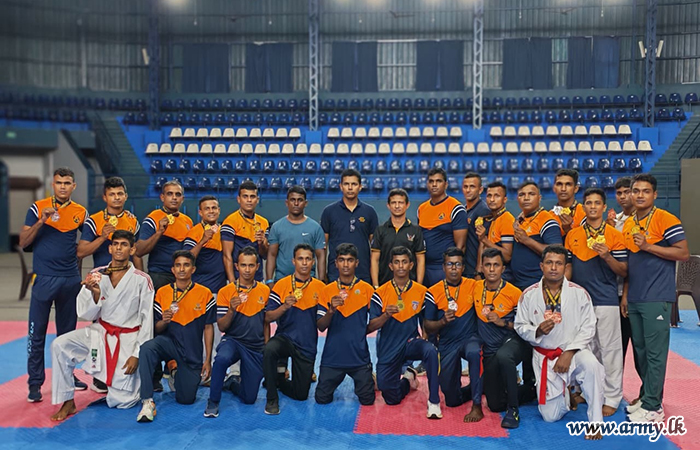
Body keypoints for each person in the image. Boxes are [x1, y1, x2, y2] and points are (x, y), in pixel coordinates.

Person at [50, 231, 154, 420]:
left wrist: (137, 354)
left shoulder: (142, 279)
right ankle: (67, 401)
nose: (119, 248)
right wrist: (95, 294)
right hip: (100, 332)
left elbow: (147, 321)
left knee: (122, 402)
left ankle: (122, 384)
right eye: (115, 244)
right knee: (60, 345)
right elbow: (84, 313)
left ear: (132, 250)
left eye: (124, 244)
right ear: (110, 248)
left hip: (127, 339)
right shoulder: (96, 275)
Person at [514, 245, 605, 440]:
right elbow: (519, 326)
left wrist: (569, 352)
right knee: (550, 416)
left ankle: (596, 423)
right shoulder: (529, 295)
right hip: (545, 356)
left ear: (566, 267)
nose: (553, 267)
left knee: (592, 365)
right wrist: (536, 331)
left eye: (558, 263)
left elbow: (589, 327)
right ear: (541, 266)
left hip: (574, 352)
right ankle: (567, 395)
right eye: (549, 263)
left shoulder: (579, 293)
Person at [622, 174, 689, 423]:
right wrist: (626, 295)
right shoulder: (629, 223)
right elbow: (631, 263)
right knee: (640, 352)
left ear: (655, 194)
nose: (640, 195)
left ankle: (654, 406)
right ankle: (647, 396)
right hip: (636, 295)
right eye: (636, 191)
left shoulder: (665, 218)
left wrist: (649, 246)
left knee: (655, 353)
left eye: (646, 191)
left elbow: (683, 253)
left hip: (657, 296)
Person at [20, 167, 88, 402]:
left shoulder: (81, 212)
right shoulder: (38, 208)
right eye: (59, 182)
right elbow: (23, 242)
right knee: (36, 333)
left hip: (70, 280)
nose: (63, 186)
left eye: (67, 183)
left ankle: (68, 377)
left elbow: (84, 245)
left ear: (73, 186)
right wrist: (42, 221)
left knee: (67, 336)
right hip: (44, 279)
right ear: (53, 184)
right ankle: (35, 384)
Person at [565, 188, 627, 417]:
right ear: (583, 207)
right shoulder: (573, 235)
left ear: (604, 207)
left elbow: (624, 270)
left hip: (606, 299)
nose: (592, 207)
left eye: (597, 203)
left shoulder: (614, 235)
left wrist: (607, 256)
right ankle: (587, 391)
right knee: (585, 351)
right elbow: (568, 267)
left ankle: (612, 396)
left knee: (610, 351)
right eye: (588, 203)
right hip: (580, 302)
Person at [136, 250, 215, 423]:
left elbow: (208, 328)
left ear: (193, 269)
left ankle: (174, 371)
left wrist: (208, 360)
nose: (182, 269)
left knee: (186, 399)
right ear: (172, 269)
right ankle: (147, 401)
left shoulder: (205, 293)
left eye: (186, 265)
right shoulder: (162, 292)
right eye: (178, 265)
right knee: (147, 348)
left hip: (191, 352)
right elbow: (156, 328)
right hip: (168, 343)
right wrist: (164, 321)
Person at [367, 246, 442, 419]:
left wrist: (425, 335)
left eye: (404, 262)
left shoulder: (421, 292)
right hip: (389, 347)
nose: (401, 266)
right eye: (397, 262)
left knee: (431, 350)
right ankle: (408, 379)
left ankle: (434, 402)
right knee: (390, 398)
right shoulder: (380, 293)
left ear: (411, 265)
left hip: (410, 343)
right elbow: (370, 327)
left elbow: (427, 321)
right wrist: (386, 315)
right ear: (391, 266)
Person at [204, 246, 269, 418]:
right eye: (243, 265)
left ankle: (232, 383)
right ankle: (213, 401)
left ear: (257, 267)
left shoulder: (265, 291)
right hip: (233, 340)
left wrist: (266, 347)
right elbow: (222, 327)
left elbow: (266, 323)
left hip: (255, 346)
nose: (247, 270)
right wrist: (231, 310)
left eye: (251, 265)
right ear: (236, 266)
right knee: (222, 359)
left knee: (249, 399)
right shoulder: (226, 291)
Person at [473, 248, 533, 429]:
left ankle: (513, 410)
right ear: (482, 267)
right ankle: (531, 390)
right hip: (490, 351)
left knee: (504, 356)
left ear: (503, 268)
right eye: (488, 265)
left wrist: (503, 323)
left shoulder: (515, 293)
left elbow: (525, 327)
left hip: (513, 342)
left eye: (496, 265)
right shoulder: (475, 288)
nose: (492, 269)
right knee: (494, 404)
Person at [263, 244, 326, 415]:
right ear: (293, 261)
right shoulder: (281, 285)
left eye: (308, 259)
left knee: (301, 395)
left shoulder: (321, 288)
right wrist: (284, 307)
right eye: (300, 259)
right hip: (285, 338)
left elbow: (322, 324)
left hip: (306, 345)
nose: (304, 263)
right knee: (270, 349)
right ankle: (271, 399)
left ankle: (279, 380)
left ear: (313, 262)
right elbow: (268, 317)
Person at [423, 248, 482, 422]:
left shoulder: (474, 286)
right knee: (452, 400)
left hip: (469, 338)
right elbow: (428, 326)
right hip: (447, 343)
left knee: (474, 352)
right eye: (450, 264)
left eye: (457, 264)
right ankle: (478, 387)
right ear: (443, 267)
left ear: (463, 267)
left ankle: (477, 405)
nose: (454, 268)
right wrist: (442, 322)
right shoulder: (433, 292)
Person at [315, 244, 375, 406]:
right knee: (321, 399)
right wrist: (331, 311)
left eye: (350, 260)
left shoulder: (367, 290)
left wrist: (362, 331)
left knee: (368, 400)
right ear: (336, 263)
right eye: (342, 260)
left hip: (359, 358)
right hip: (332, 358)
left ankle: (370, 376)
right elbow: (321, 326)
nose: (346, 264)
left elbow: (375, 321)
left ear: (357, 263)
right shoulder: (326, 290)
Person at [606, 177, 642, 381]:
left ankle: (648, 393)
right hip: (613, 291)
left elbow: (632, 263)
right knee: (615, 346)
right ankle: (614, 389)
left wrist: (626, 294)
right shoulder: (615, 221)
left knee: (639, 347)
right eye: (619, 193)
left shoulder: (640, 221)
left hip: (634, 292)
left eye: (627, 192)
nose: (622, 197)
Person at [321, 169, 379, 284]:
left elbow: (375, 248)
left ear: (360, 187)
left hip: (363, 273)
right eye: (346, 184)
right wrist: (323, 275)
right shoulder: (329, 212)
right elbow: (323, 247)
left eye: (354, 184)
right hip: (335, 273)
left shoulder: (369, 212)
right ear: (341, 186)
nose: (350, 188)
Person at [135, 180, 193, 291]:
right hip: (159, 276)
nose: (174, 198)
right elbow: (139, 251)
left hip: (182, 276)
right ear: (162, 197)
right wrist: (159, 232)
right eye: (170, 194)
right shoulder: (153, 219)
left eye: (178, 194)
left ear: (182, 199)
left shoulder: (188, 221)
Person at [78, 176, 142, 270]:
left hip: (127, 275)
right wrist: (102, 237)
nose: (116, 197)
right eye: (112, 194)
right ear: (105, 197)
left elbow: (137, 254)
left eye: (120, 194)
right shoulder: (94, 221)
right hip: (102, 275)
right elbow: (80, 252)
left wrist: (141, 276)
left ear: (125, 196)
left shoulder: (133, 221)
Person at [417, 168, 468, 287]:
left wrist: (452, 270)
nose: (434, 185)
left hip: (444, 269)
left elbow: (461, 246)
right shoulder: (421, 209)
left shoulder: (455, 208)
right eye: (431, 181)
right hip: (425, 268)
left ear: (446, 184)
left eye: (438, 181)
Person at [266, 186, 326, 285]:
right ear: (287, 203)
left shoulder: (315, 228)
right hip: (281, 282)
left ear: (306, 203)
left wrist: (321, 281)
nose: (296, 203)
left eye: (300, 200)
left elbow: (321, 256)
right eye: (293, 200)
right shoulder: (277, 227)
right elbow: (272, 255)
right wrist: (269, 280)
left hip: (308, 282)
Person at [510, 182, 562, 290]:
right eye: (522, 195)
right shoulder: (520, 220)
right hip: (518, 284)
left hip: (537, 284)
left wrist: (527, 240)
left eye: (531, 194)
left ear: (539, 198)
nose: (526, 198)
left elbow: (557, 253)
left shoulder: (546, 220)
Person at [370, 188, 425, 288]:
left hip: (409, 286)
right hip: (385, 285)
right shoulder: (380, 230)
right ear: (388, 205)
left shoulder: (415, 230)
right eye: (393, 203)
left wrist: (418, 286)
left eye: (401, 203)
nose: (397, 206)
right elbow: (375, 260)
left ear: (407, 205)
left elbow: (420, 260)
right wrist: (376, 286)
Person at [221, 181, 269, 283]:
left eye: (252, 197)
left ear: (257, 200)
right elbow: (227, 256)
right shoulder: (230, 221)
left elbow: (265, 255)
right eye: (245, 196)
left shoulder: (263, 222)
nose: (249, 200)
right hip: (237, 280)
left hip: (258, 279)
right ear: (239, 199)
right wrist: (232, 282)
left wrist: (262, 242)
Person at [183, 195, 226, 295]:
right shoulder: (194, 232)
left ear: (219, 210)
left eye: (214, 208)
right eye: (207, 209)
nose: (211, 211)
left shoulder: (224, 231)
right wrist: (203, 241)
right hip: (200, 289)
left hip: (221, 290)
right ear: (200, 212)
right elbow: (186, 260)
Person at [475, 181, 515, 277]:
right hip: (488, 274)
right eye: (489, 196)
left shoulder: (506, 219)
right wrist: (478, 272)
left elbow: (507, 256)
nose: (492, 199)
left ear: (504, 199)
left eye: (496, 196)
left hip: (502, 275)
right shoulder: (490, 219)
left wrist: (484, 240)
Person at [462, 173, 491, 278]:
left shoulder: (483, 210)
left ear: (480, 190)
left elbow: (483, 242)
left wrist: (478, 271)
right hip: (465, 268)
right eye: (465, 187)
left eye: (472, 187)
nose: (468, 190)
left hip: (474, 270)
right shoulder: (463, 210)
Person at [551, 169, 586, 236]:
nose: (563, 189)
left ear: (576, 188)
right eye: (559, 184)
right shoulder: (548, 216)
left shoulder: (584, 213)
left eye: (568, 184)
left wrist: (568, 229)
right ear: (554, 188)